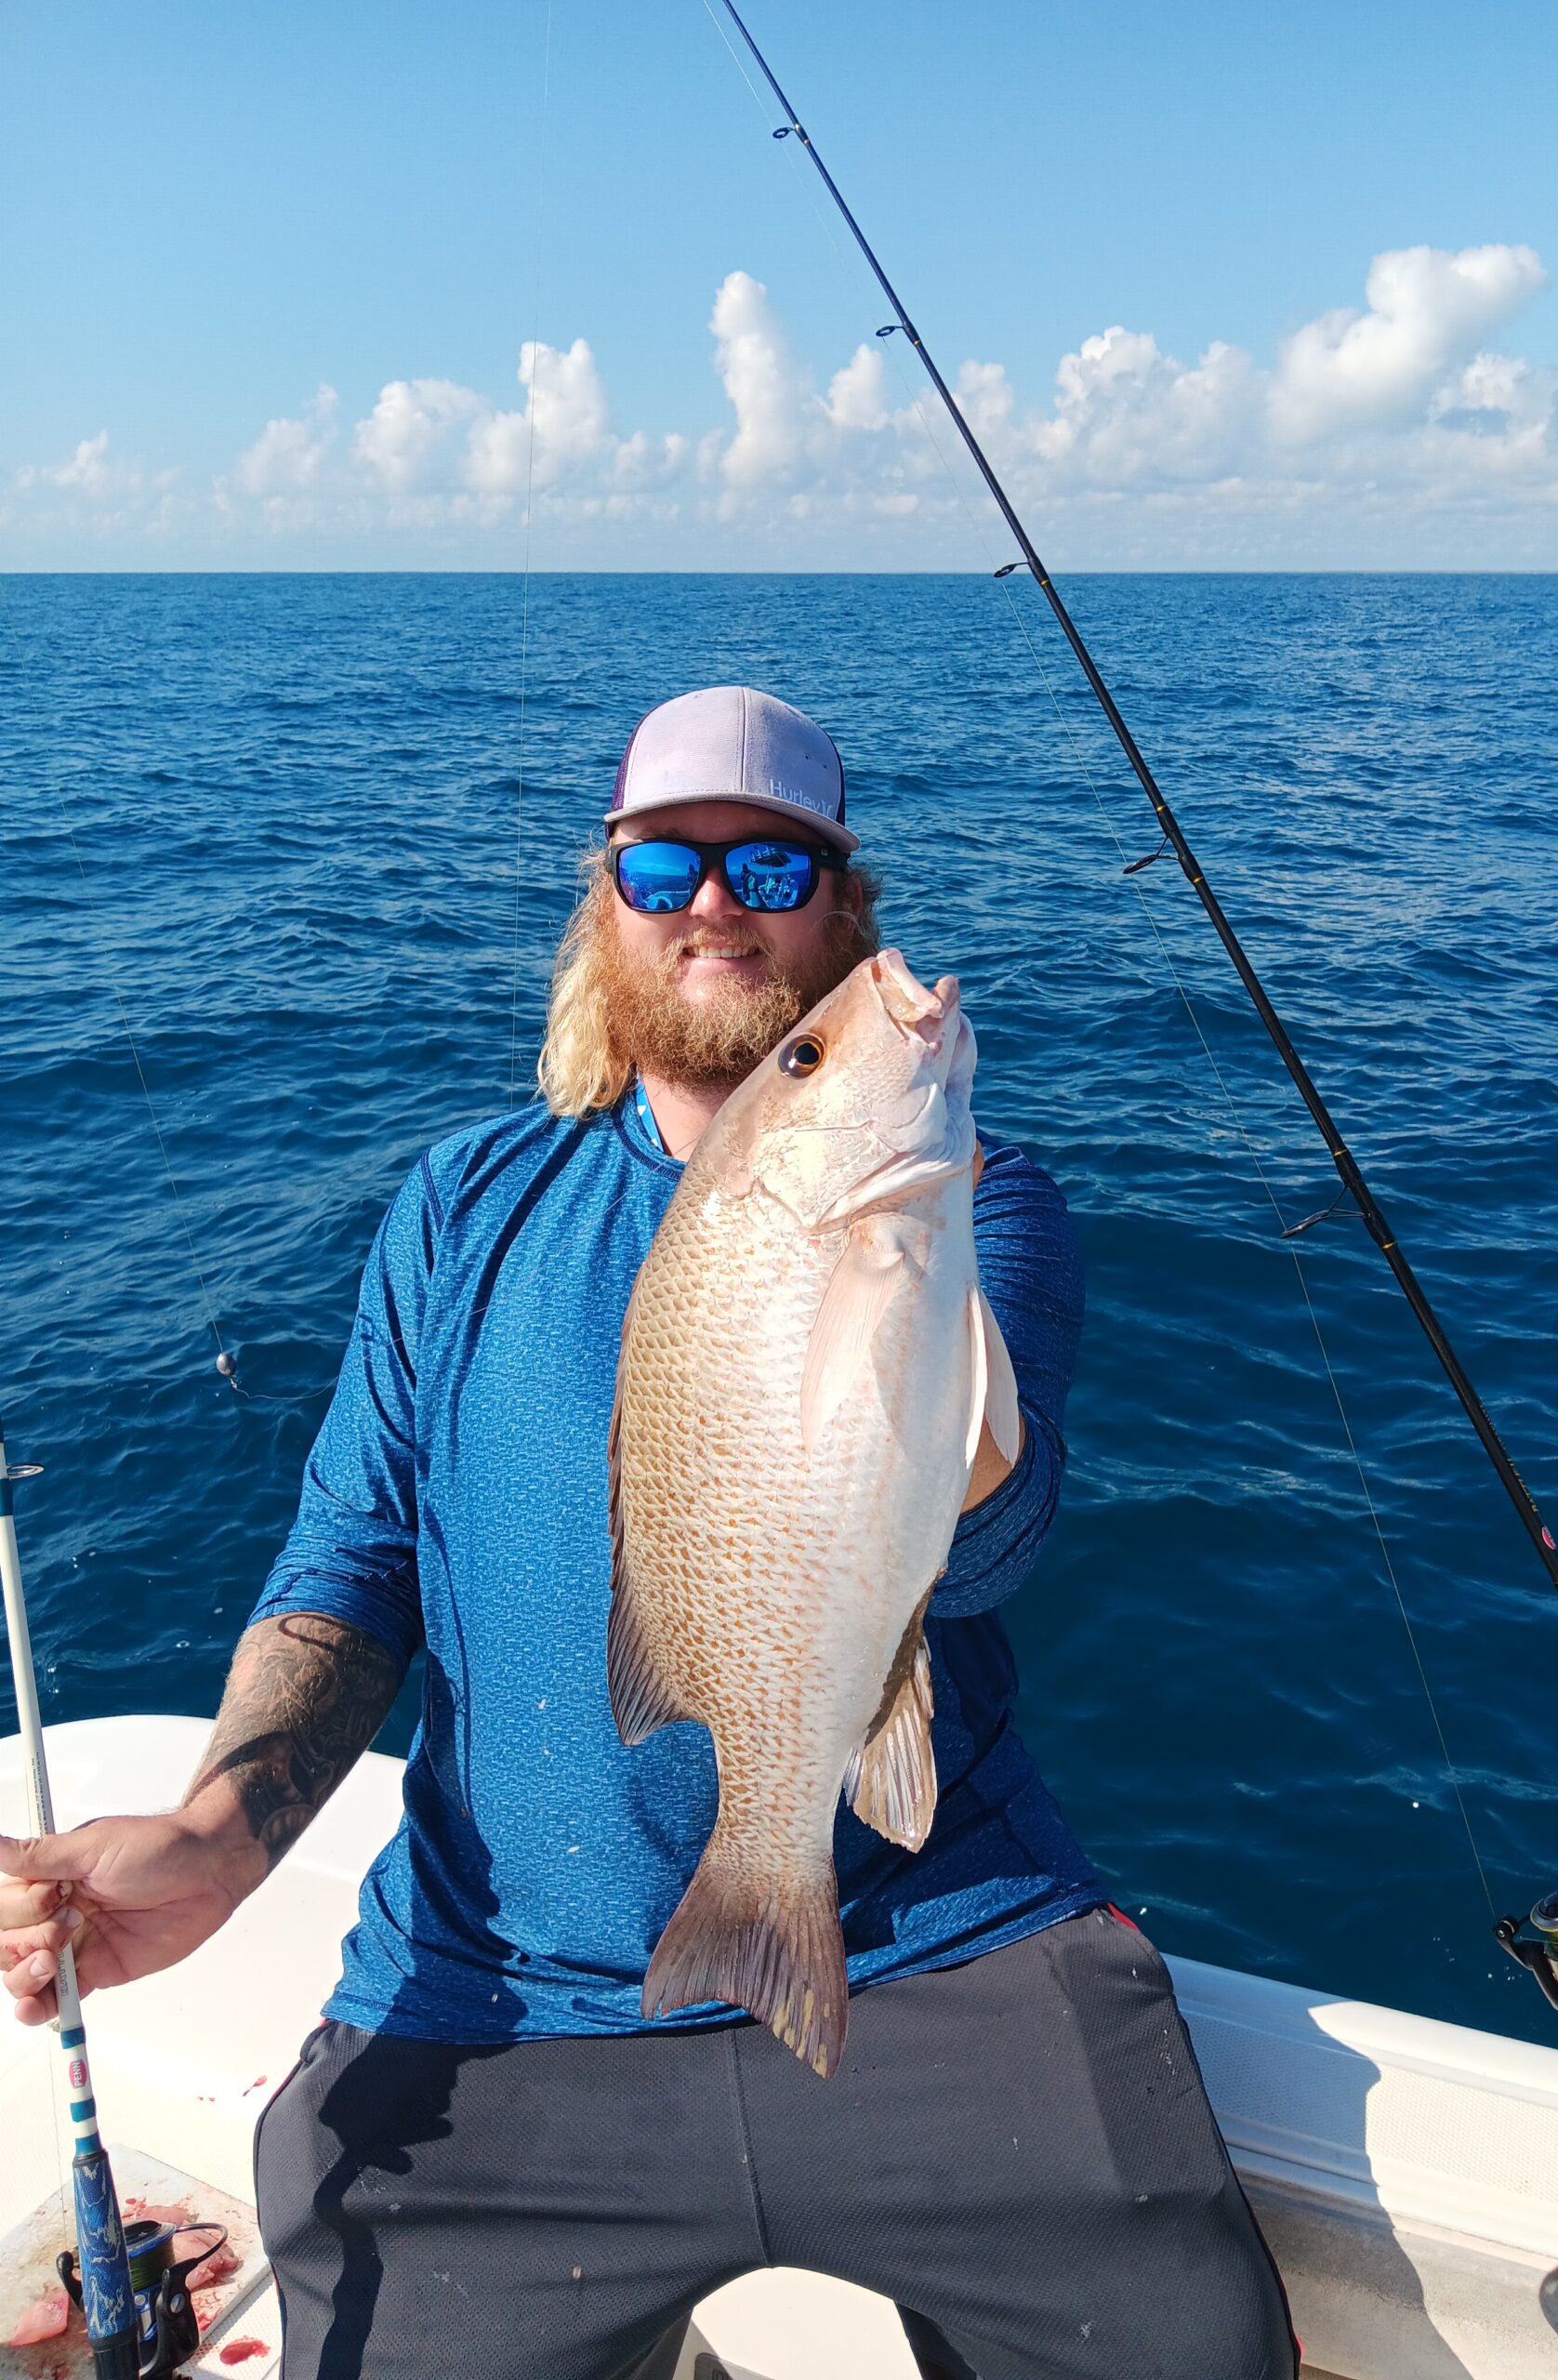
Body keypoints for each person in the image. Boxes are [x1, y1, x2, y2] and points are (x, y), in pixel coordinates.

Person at [1, 686, 1296, 2380]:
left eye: (771, 866)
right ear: (605, 903)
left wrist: (901, 1260)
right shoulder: (463, 1208)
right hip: (504, 1995)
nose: (711, 902)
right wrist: (222, 1836)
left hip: (939, 1937)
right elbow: (352, 1562)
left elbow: (989, 1550)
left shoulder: (987, 1200)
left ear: (844, 910)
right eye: (661, 864)